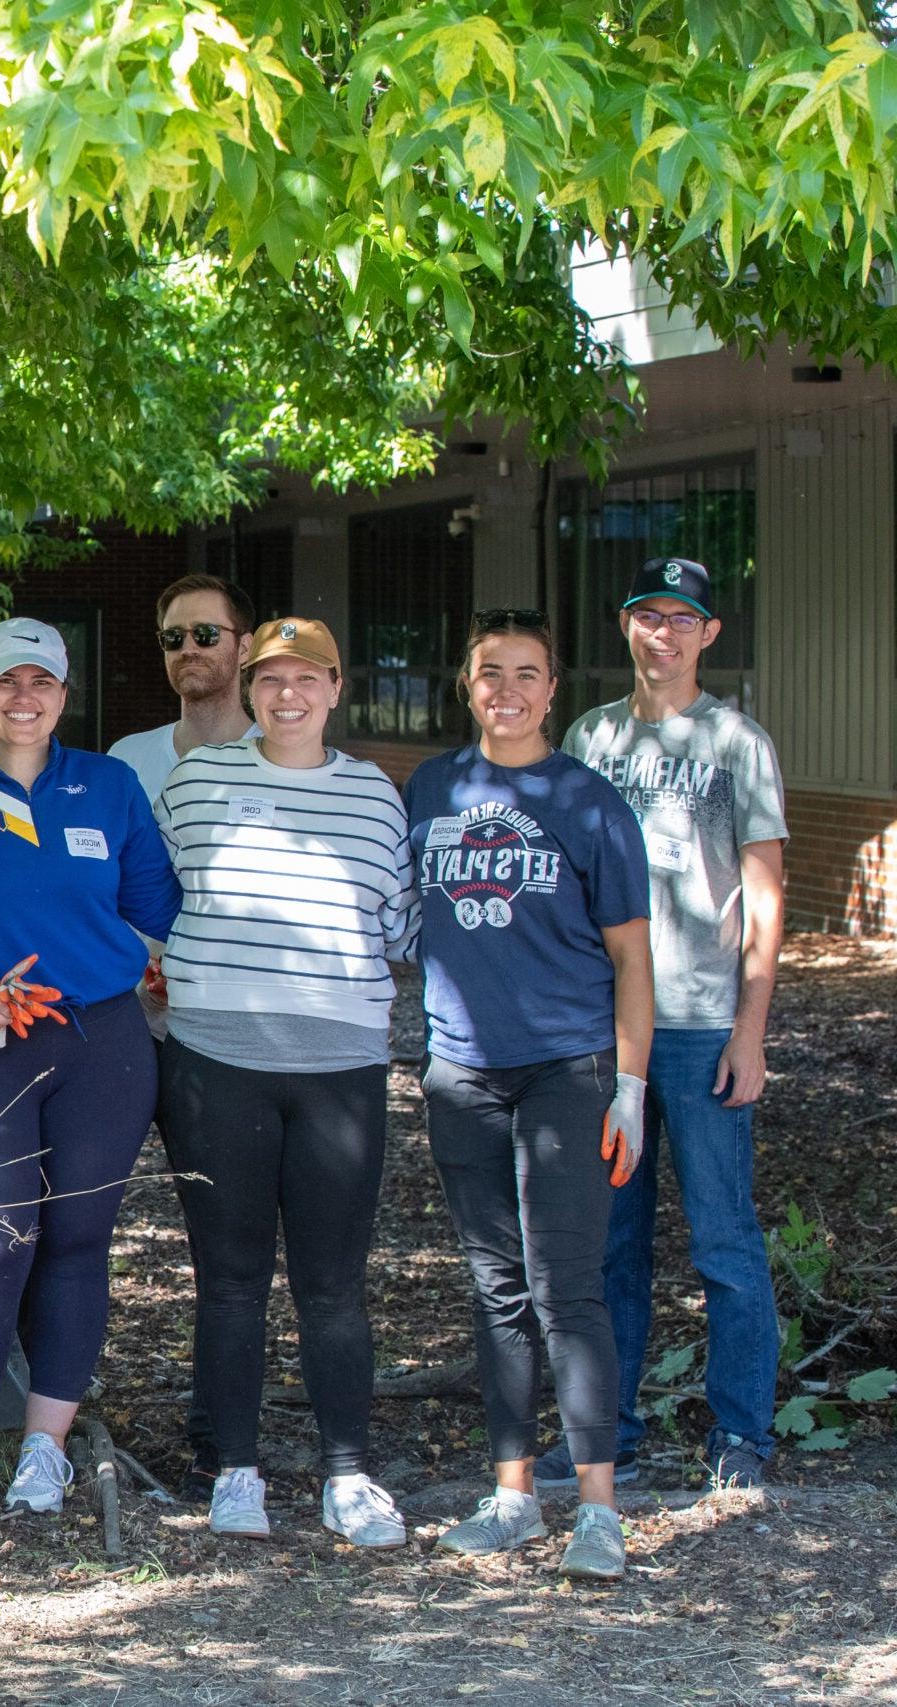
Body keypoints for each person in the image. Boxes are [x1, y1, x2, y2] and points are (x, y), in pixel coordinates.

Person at [152, 616, 418, 1547]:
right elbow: (157, 898)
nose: (288, 696)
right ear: (250, 689)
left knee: (333, 1285)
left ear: (337, 689)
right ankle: (235, 1472)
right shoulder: (196, 782)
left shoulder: (377, 798)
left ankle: (347, 1473)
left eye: (308, 680)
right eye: (271, 680)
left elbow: (402, 929)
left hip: (338, 1067)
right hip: (214, 1060)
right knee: (228, 1281)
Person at [406, 611, 653, 1580]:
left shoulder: (588, 803)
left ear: (553, 690)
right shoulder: (431, 787)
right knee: (495, 1291)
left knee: (567, 1292)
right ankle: (511, 1498)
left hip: (567, 1068)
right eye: (487, 672)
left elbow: (633, 957)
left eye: (526, 673)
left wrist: (628, 1084)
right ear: (465, 686)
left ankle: (596, 1511)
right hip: (462, 1071)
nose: (505, 688)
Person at [0, 618, 180, 1521]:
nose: (22, 698)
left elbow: (156, 902)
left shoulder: (107, 785)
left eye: (41, 682)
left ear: (65, 695)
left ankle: (45, 1449)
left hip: (100, 1042)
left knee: (75, 1243)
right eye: (4, 682)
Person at [562, 557, 786, 1494]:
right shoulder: (589, 736)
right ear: (625, 628)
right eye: (649, 616)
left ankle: (742, 1434)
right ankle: (612, 1430)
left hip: (698, 1027)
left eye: (683, 619)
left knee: (722, 1239)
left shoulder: (737, 741)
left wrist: (751, 1029)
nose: (666, 633)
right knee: (611, 1238)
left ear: (708, 635)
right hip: (608, 1030)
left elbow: (766, 896)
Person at [107, 573, 259, 804]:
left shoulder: (278, 757)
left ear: (245, 648)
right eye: (173, 637)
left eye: (206, 634)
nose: (188, 648)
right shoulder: (127, 758)